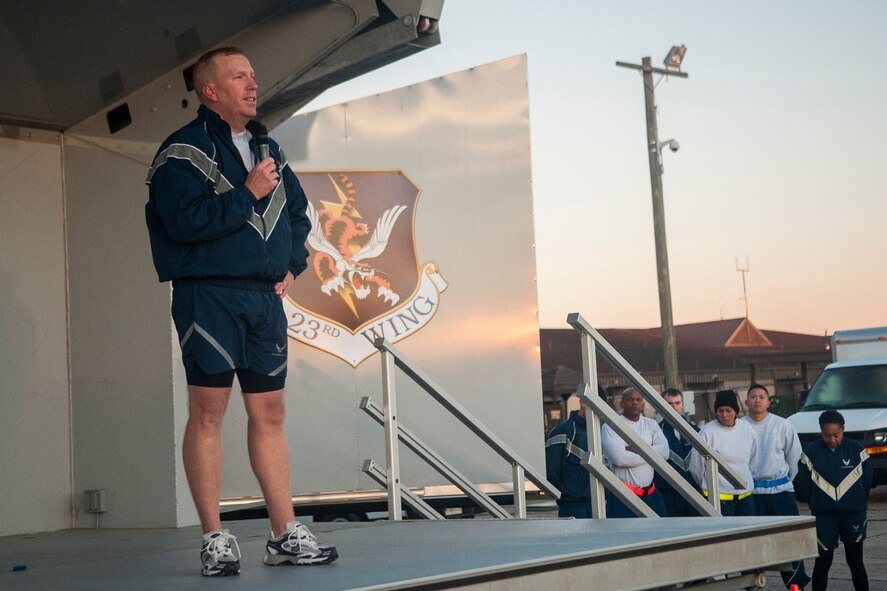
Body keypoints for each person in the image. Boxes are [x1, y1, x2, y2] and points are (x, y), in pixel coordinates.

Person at [145, 47, 337, 576]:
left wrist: (292, 263)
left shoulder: (268, 148)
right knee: (208, 413)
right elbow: (182, 222)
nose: (254, 83)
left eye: (253, 74)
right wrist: (248, 193)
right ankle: (214, 538)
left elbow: (298, 215)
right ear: (211, 91)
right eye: (239, 76)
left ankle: (283, 533)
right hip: (208, 295)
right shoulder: (180, 151)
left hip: (263, 301)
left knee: (270, 414)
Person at [741, 384, 810, 589]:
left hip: (780, 491)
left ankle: (795, 583)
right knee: (752, 541)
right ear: (746, 402)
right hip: (751, 492)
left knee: (789, 539)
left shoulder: (783, 425)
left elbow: (794, 457)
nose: (757, 400)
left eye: (762, 396)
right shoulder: (740, 426)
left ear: (768, 402)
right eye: (753, 396)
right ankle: (752, 584)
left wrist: (785, 480)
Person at [796, 410, 872, 591]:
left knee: (855, 560)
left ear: (843, 430)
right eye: (827, 435)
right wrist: (816, 502)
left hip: (853, 513)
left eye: (836, 435)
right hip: (824, 516)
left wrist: (857, 499)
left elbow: (867, 479)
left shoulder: (857, 449)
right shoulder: (811, 452)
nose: (831, 439)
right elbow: (803, 483)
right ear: (821, 431)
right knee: (823, 561)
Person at [601, 387, 669, 517]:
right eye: (630, 399)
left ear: (643, 403)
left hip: (651, 495)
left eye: (638, 399)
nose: (635, 402)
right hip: (623, 497)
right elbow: (620, 459)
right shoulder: (611, 426)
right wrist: (651, 451)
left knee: (659, 535)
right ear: (621, 404)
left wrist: (636, 449)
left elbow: (665, 453)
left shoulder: (651, 424)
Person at [689, 389, 757, 516]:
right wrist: (707, 486)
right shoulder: (707, 432)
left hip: (745, 498)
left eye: (728, 410)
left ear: (735, 411)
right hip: (718, 499)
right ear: (716, 412)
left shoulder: (747, 429)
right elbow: (696, 467)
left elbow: (753, 460)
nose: (724, 415)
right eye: (720, 411)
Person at [654, 387, 700, 517]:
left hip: (694, 492)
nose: (674, 407)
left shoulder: (696, 432)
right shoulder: (655, 432)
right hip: (668, 493)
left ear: (683, 405)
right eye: (669, 403)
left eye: (677, 403)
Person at [545, 397, 592, 518]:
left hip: (601, 504)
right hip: (572, 507)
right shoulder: (563, 431)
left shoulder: (603, 431)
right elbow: (552, 472)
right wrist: (567, 495)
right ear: (582, 403)